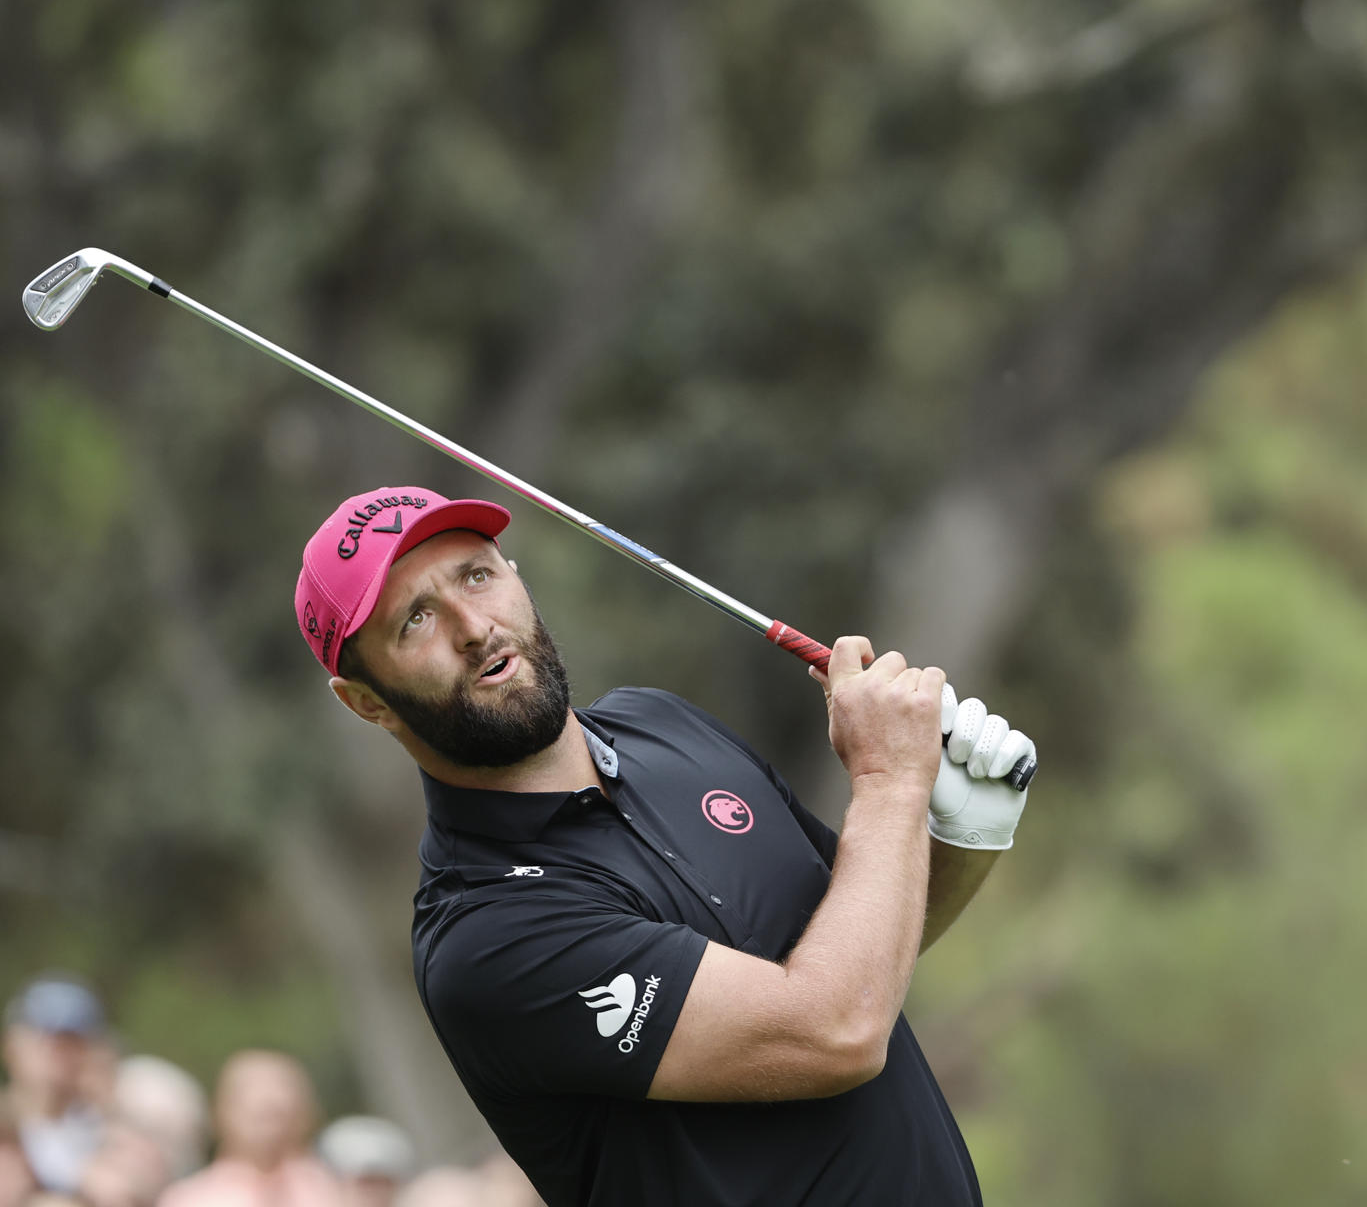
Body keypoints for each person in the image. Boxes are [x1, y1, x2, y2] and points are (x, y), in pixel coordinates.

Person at [293, 487, 1037, 1206]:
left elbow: (862, 952)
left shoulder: (664, 723)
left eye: (477, 576)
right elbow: (835, 1029)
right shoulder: (487, 935)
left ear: (516, 578)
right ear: (366, 701)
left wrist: (960, 831)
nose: (473, 626)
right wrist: (888, 781)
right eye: (415, 620)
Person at [154, 1051, 343, 1207]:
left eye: (282, 1089)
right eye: (260, 1113)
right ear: (220, 1112)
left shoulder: (341, 1189)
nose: (269, 1100)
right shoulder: (187, 1200)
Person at [3, 976, 112, 1195]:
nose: (54, 1051)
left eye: (69, 1041)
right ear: (11, 1044)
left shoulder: (110, 1132)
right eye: (42, 1037)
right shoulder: (5, 1126)